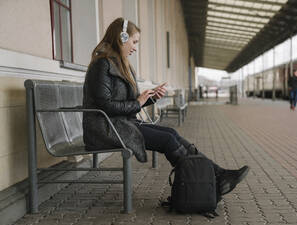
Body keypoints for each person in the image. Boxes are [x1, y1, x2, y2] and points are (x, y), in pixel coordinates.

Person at [82, 18, 249, 196]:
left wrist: (150, 98)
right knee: (168, 141)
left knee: (172, 134)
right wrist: (138, 102)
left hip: (120, 124)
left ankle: (217, 174)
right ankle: (203, 183)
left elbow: (127, 103)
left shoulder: (119, 65)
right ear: (122, 37)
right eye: (134, 42)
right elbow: (105, 106)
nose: (135, 47)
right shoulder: (102, 65)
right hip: (104, 129)